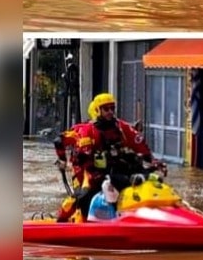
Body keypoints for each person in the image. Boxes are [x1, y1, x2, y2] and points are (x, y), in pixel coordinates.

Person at [54, 93, 160, 222]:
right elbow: (59, 141)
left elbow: (140, 145)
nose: (110, 112)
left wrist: (153, 161)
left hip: (111, 169)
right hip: (86, 172)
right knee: (83, 195)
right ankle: (61, 219)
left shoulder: (122, 128)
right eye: (106, 109)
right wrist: (63, 161)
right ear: (98, 110)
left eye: (112, 108)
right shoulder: (85, 130)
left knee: (139, 179)